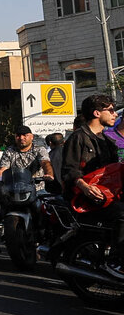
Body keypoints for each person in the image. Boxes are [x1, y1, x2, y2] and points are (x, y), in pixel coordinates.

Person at [60, 94, 124, 278]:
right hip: (83, 198)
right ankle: (116, 262)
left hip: (106, 195)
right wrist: (84, 187)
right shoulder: (78, 138)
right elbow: (69, 170)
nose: (115, 115)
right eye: (110, 110)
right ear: (97, 113)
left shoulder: (108, 142)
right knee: (122, 213)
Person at [0, 125, 54, 261]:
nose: (22, 138)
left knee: (45, 212)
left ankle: (47, 241)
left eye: (25, 135)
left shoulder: (39, 149)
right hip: (13, 192)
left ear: (31, 136)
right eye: (18, 135)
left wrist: (49, 174)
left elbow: (45, 163)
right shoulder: (9, 151)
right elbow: (2, 170)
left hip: (36, 189)